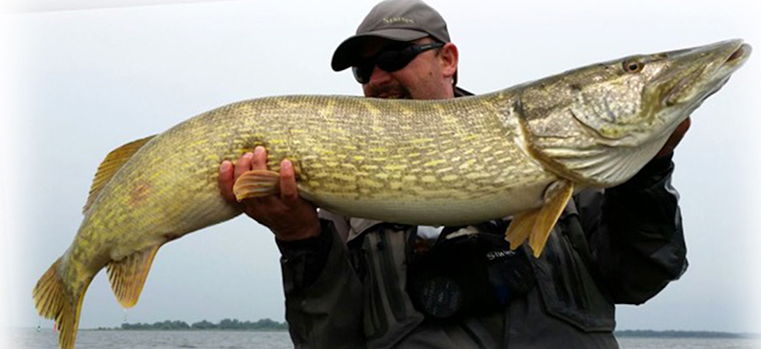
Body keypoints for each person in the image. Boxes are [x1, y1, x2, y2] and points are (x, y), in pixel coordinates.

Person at [218, 0, 690, 347]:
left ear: (448, 60)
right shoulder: (344, 210)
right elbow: (329, 342)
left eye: (395, 58)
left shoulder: (576, 176)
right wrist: (301, 240)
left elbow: (639, 279)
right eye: (363, 70)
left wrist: (647, 177)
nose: (378, 77)